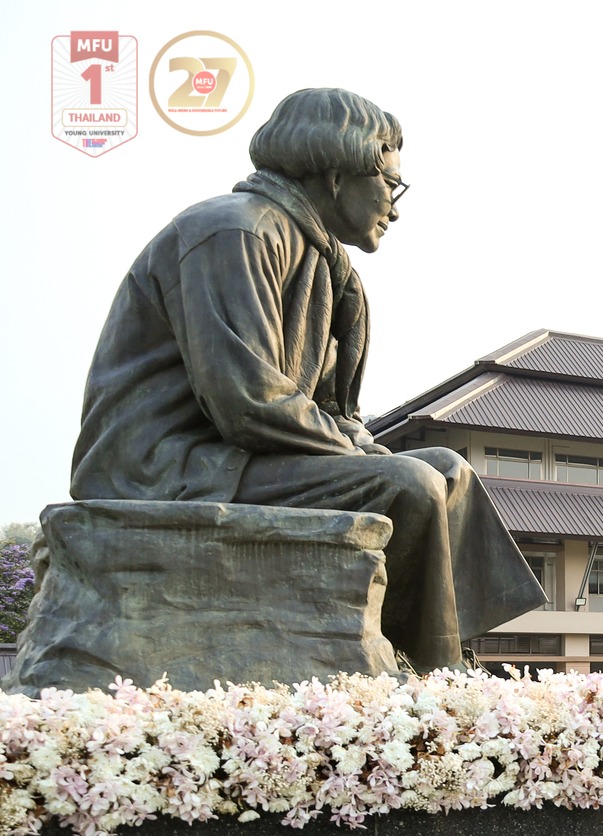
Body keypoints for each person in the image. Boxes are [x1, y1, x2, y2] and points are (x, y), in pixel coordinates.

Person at [69, 87, 545, 673]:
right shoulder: (234, 233)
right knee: (409, 483)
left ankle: (450, 649)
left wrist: (355, 441)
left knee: (449, 468)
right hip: (173, 465)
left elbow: (333, 409)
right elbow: (246, 400)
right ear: (339, 174)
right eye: (391, 185)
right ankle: (434, 672)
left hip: (250, 455)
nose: (394, 207)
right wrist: (356, 449)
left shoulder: (327, 266)